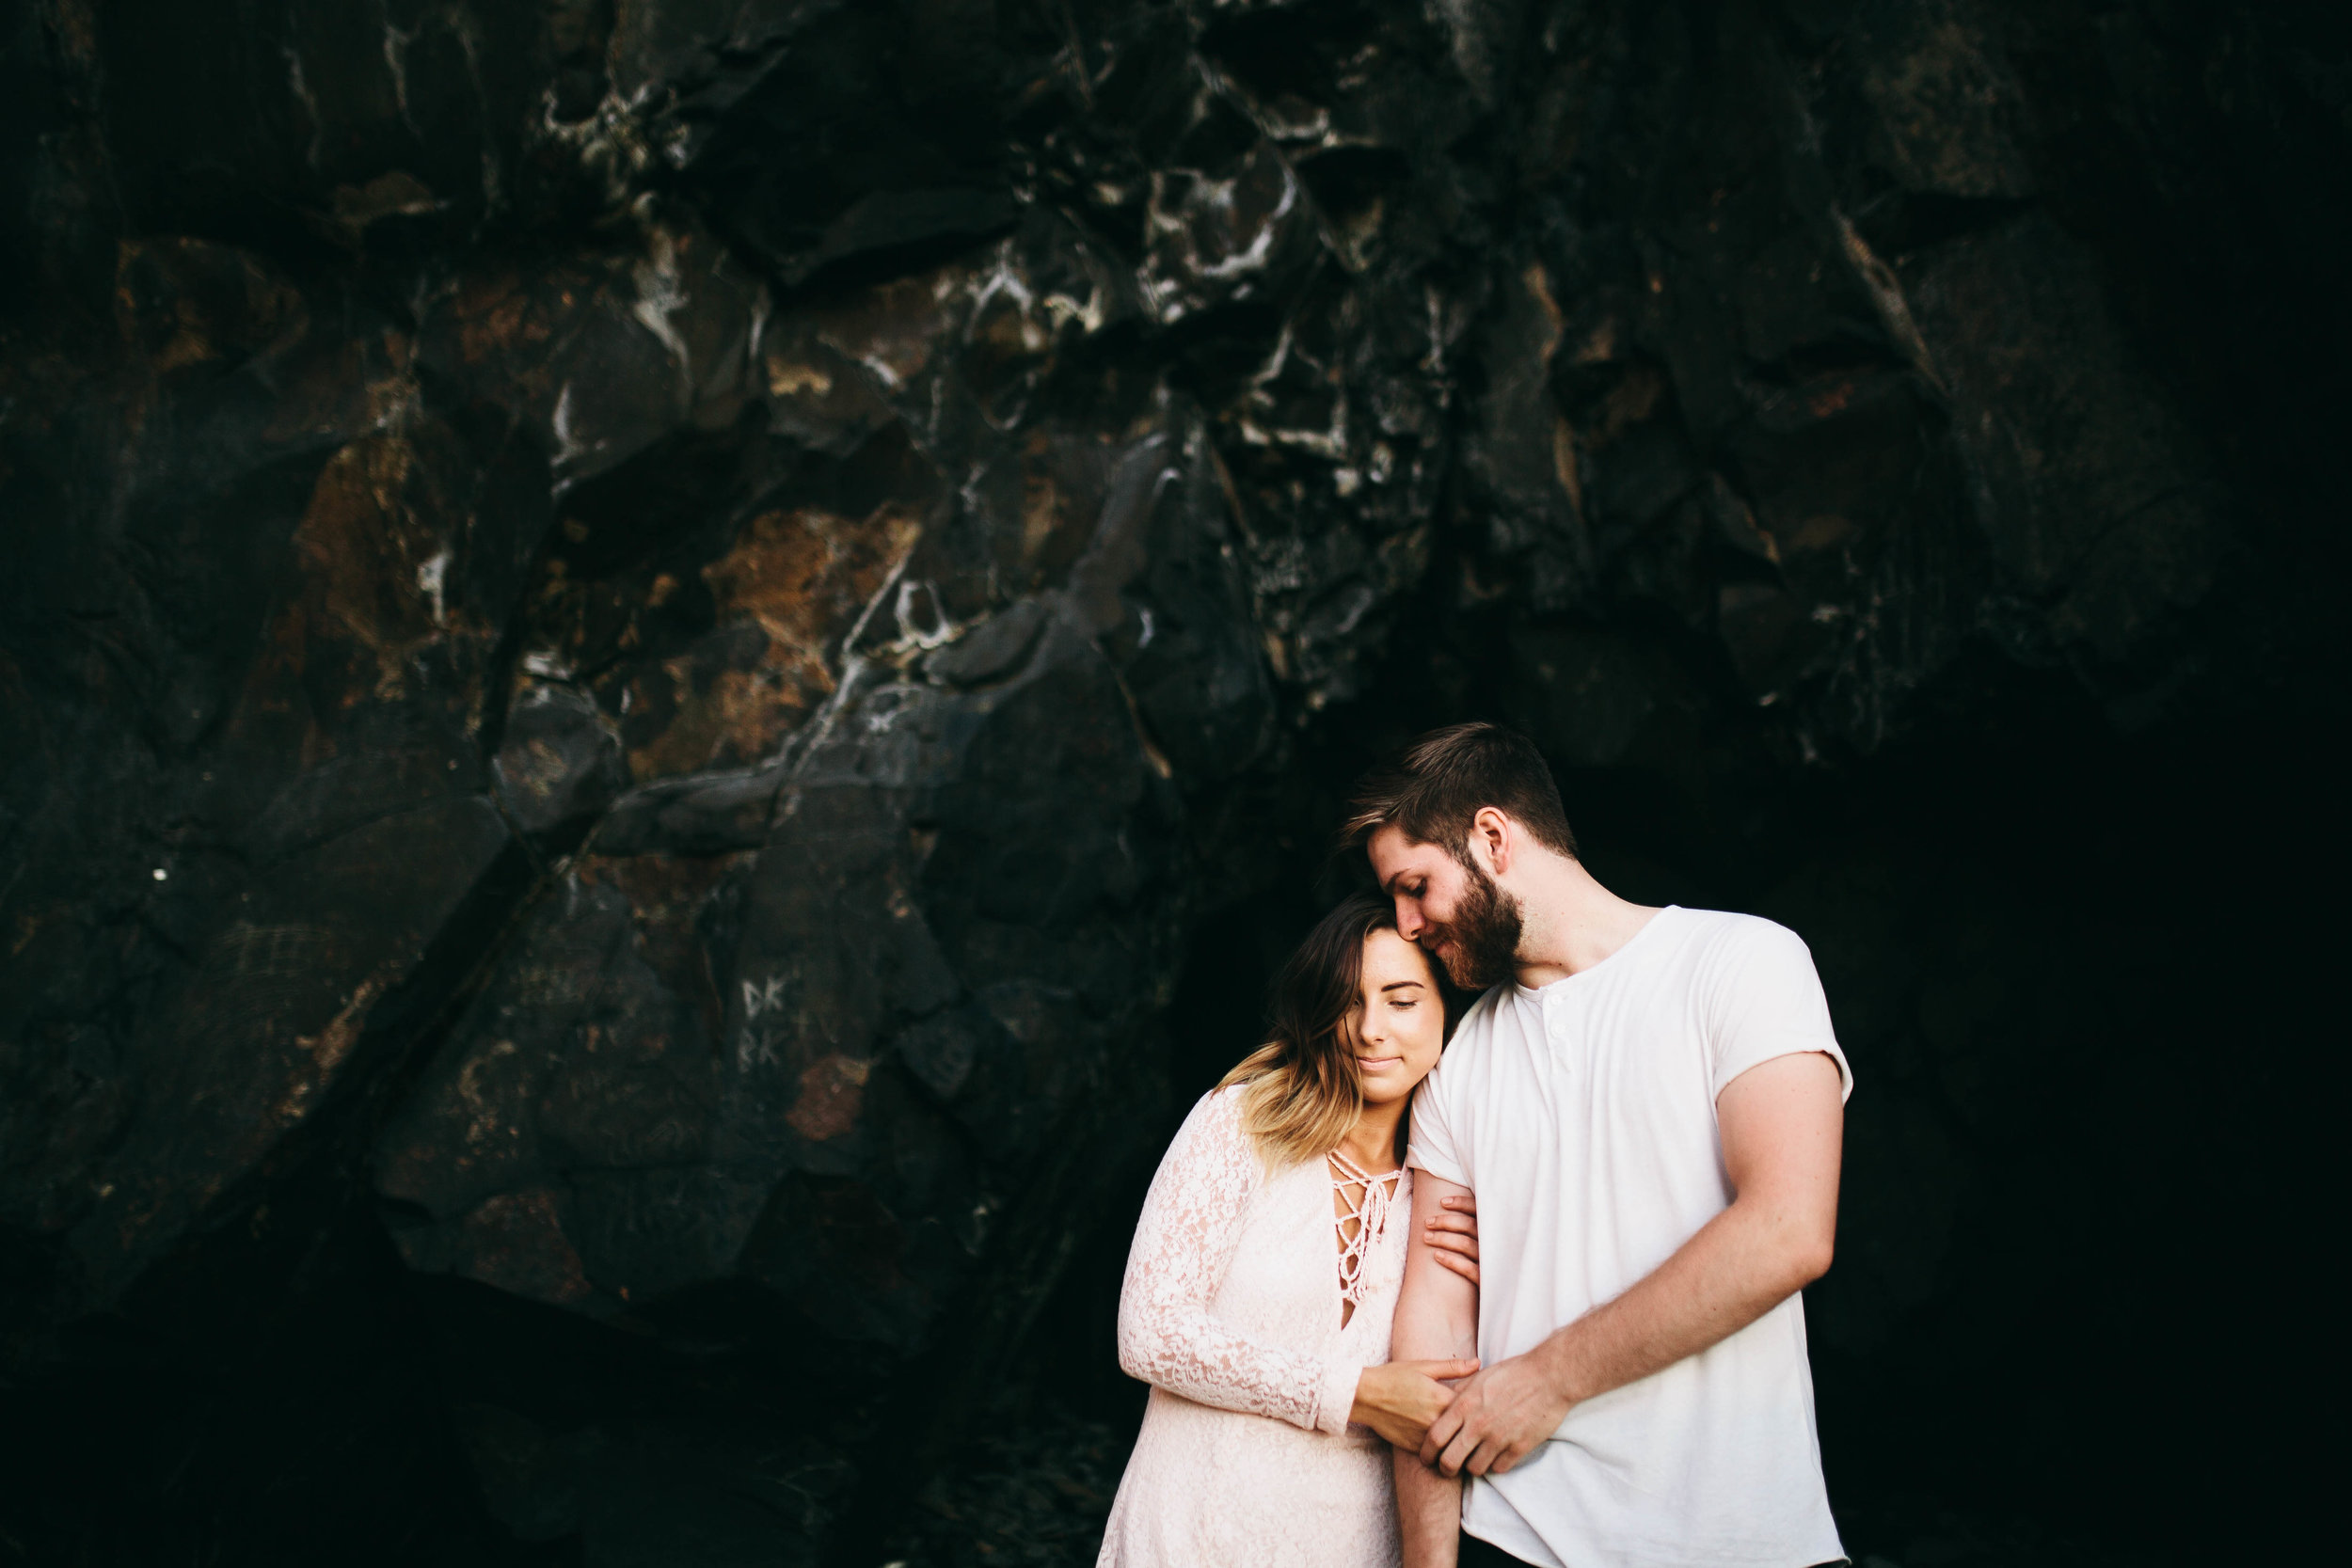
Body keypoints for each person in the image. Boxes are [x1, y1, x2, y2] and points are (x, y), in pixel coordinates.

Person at [1354, 722, 1851, 1568]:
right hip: (1518, 1538)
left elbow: (1789, 1231)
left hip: (1748, 1539)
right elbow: (1433, 1331)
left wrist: (1546, 1380)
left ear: (1491, 837)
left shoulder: (1743, 962)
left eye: (1415, 886)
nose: (1404, 923)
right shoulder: (1457, 1060)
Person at [1096, 893, 1486, 1567]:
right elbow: (1149, 1333)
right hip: (1188, 1534)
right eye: (1347, 999)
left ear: (1447, 1010)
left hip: (1354, 1546)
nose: (1370, 1029)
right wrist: (1354, 1392)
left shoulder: (1457, 1192)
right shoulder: (1244, 1121)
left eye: (1401, 1000)